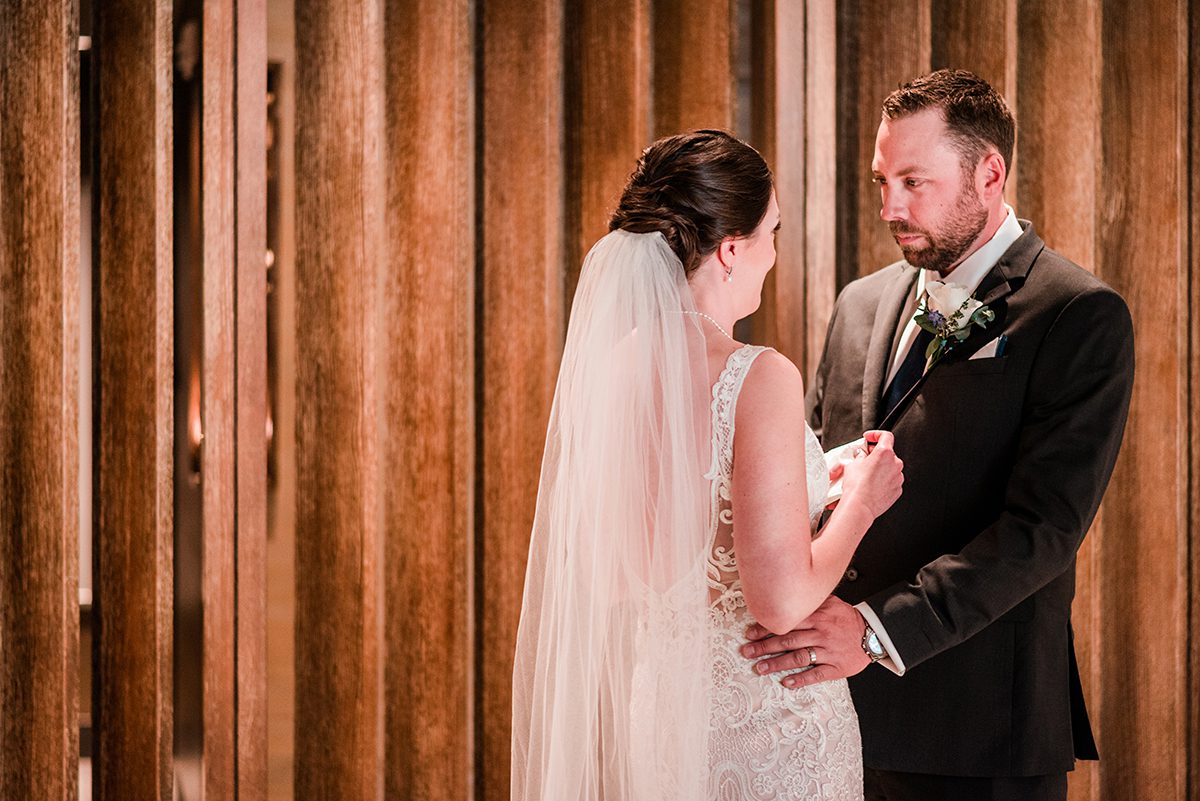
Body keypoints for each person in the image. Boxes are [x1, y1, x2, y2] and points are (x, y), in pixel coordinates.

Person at [742, 70, 1135, 801]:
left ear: (989, 173)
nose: (890, 206)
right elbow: (816, 478)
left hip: (979, 727)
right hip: (829, 715)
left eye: (914, 181)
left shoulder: (1078, 314)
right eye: (881, 180)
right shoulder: (859, 304)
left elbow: (1040, 531)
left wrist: (871, 631)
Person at [510, 130, 903, 801]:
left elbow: (617, 576)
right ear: (730, 250)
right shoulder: (758, 375)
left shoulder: (613, 370)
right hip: (770, 721)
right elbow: (778, 599)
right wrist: (862, 502)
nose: (773, 253)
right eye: (771, 232)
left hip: (664, 715)